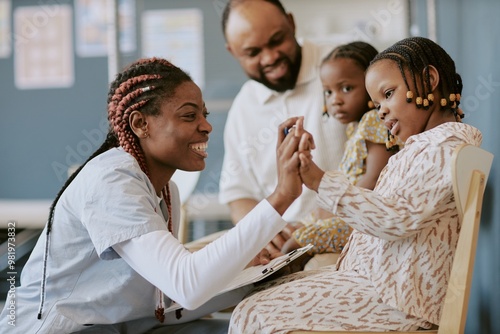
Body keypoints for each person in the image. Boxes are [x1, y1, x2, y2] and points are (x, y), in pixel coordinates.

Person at [0, 58, 311, 334]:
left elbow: (161, 302)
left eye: (204, 114)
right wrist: (282, 195)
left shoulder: (165, 190)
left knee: (250, 326)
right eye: (189, 116)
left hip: (125, 326)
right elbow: (188, 285)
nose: (207, 126)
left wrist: (256, 275)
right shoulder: (111, 181)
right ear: (140, 124)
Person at [228, 36, 479, 333]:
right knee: (255, 300)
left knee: (256, 314)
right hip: (379, 287)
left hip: (398, 303)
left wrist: (319, 180)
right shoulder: (425, 148)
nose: (381, 111)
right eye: (376, 103)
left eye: (388, 94)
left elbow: (394, 219)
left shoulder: (441, 148)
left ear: (430, 78)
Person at [218, 0, 348, 255]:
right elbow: (238, 194)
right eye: (253, 53)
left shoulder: (344, 68)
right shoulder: (243, 108)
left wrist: (325, 221)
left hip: (350, 236)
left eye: (277, 41)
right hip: (284, 252)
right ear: (233, 52)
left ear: (291, 23)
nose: (270, 58)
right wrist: (264, 231)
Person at [281, 41, 401, 256]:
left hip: (363, 218)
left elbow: (373, 181)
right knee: (293, 229)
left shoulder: (375, 121)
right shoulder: (356, 128)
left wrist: (334, 209)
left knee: (295, 244)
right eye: (328, 91)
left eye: (346, 88)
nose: (335, 100)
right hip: (350, 210)